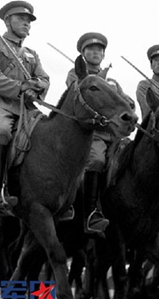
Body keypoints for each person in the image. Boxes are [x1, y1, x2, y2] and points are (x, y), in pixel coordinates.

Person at [0, 1, 49, 217]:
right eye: (21, 19)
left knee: (51, 132)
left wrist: (36, 89)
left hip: (26, 109)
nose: (26, 24)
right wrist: (20, 87)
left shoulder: (31, 53)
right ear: (7, 21)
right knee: (1, 131)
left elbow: (44, 78)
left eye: (28, 21)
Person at [65, 32, 134, 235]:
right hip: (91, 133)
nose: (96, 53)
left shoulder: (110, 81)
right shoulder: (77, 74)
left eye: (99, 50)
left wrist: (124, 104)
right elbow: (78, 97)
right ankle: (91, 214)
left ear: (103, 55)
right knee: (96, 161)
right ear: (83, 53)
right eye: (91, 49)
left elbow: (127, 102)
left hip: (114, 136)